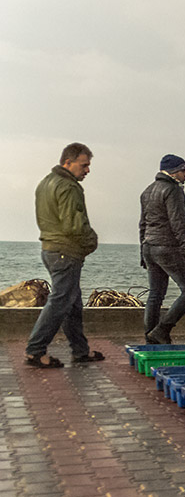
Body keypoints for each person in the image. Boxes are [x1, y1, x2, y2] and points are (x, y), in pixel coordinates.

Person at [25, 142, 103, 368]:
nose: (87, 170)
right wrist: (92, 241)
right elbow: (74, 226)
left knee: (72, 302)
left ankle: (80, 350)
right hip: (65, 252)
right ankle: (35, 350)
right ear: (67, 162)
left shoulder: (45, 183)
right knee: (60, 302)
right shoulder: (69, 187)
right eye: (84, 165)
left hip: (50, 249)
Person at [139, 154, 185, 344]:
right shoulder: (173, 190)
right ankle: (162, 329)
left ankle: (150, 335)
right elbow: (178, 223)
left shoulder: (148, 191)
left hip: (149, 247)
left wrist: (143, 251)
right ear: (173, 172)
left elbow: (142, 224)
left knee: (155, 294)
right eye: (183, 170)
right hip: (167, 247)